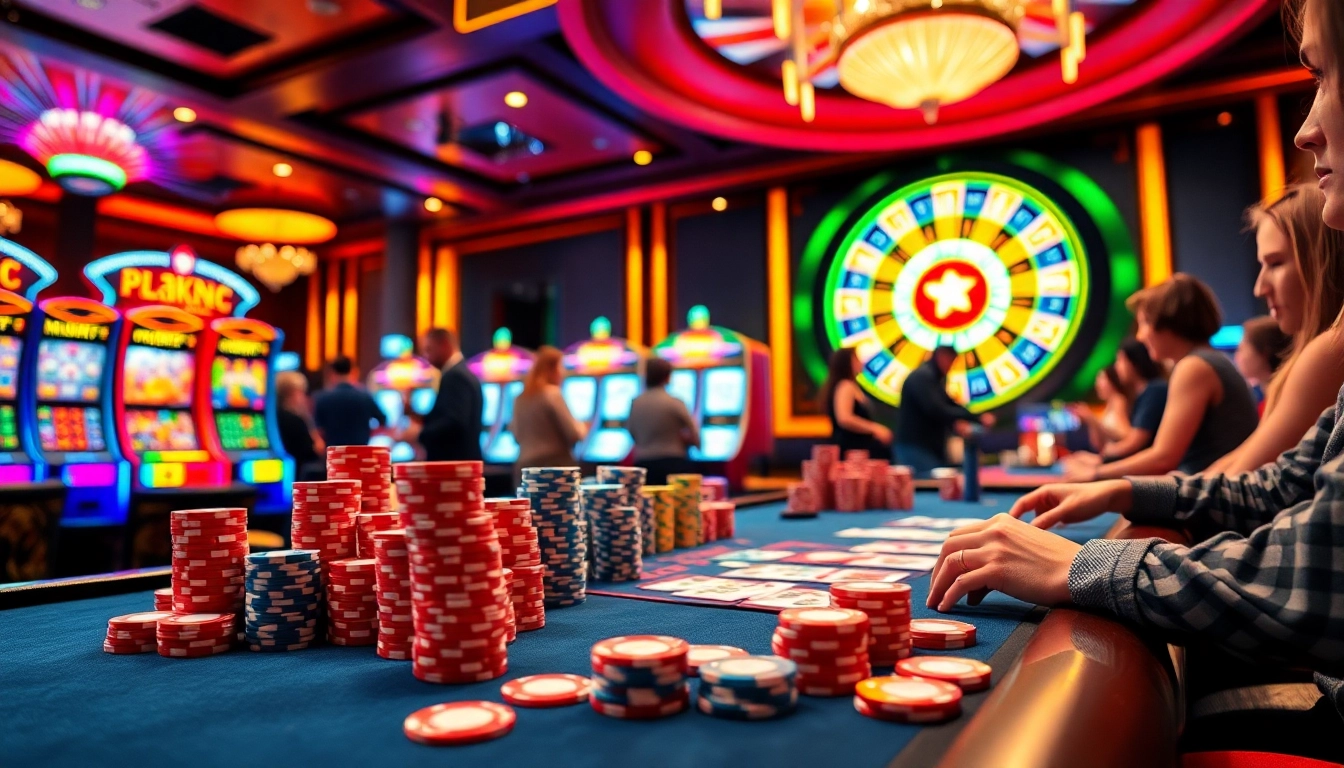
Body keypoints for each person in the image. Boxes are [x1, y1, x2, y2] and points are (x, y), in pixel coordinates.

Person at [925, 3, 1344, 756]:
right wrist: (1118, 492)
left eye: (1323, 74)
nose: (1304, 127)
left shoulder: (1246, 360)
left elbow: (1318, 576)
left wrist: (1085, 560)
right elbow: (1276, 491)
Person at [1060, 275, 1257, 481]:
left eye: (1144, 323)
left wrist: (1095, 474)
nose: (1140, 336)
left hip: (1210, 497)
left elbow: (1163, 458)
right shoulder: (1210, 361)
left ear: (1170, 323)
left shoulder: (1195, 367)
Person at [1205, 184, 1344, 474]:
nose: (1259, 288)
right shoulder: (1312, 352)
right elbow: (1239, 463)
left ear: (1322, 262)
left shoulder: (1329, 350)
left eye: (1276, 263)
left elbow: (1243, 482)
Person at [894, 346, 994, 476]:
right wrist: (977, 418)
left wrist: (971, 419)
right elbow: (937, 410)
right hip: (916, 449)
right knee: (929, 489)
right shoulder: (922, 377)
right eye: (951, 361)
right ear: (941, 356)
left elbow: (949, 404)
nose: (950, 367)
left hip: (925, 448)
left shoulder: (933, 378)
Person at [1070, 339, 1168, 464]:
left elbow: (1134, 442)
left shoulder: (1154, 390)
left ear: (1133, 363)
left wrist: (1100, 459)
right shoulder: (1141, 395)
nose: (1117, 367)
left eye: (1120, 360)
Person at [511, 346, 586, 484]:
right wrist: (583, 427)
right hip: (553, 466)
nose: (563, 373)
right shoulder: (552, 393)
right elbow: (573, 434)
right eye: (561, 367)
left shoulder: (520, 398)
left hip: (524, 467)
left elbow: (515, 436)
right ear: (552, 369)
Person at [415, 327, 483, 462]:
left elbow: (454, 422)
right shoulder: (462, 372)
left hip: (455, 465)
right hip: (463, 462)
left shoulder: (455, 376)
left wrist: (419, 434)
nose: (426, 357)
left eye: (429, 350)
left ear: (444, 345)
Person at [628, 357, 700, 483]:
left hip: (643, 462)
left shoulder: (636, 403)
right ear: (667, 377)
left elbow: (631, 431)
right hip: (672, 463)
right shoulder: (675, 403)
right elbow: (694, 433)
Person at [821, 348, 892, 459]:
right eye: (857, 359)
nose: (861, 362)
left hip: (857, 450)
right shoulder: (846, 386)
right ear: (847, 363)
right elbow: (844, 418)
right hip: (851, 452)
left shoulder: (850, 386)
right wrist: (875, 428)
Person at [312, 356, 386, 448]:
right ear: (352, 370)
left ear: (332, 372)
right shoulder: (364, 396)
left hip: (334, 456)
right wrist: (368, 433)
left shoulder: (322, 398)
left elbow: (317, 430)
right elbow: (383, 420)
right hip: (360, 453)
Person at [1235, 316, 1292, 415]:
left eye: (1241, 349)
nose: (1237, 356)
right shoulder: (1267, 399)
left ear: (1264, 353)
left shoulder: (1284, 402)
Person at [275, 370, 323, 480]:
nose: (304, 397)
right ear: (293, 394)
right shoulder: (296, 421)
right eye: (302, 392)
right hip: (297, 481)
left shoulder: (272, 418)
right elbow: (316, 451)